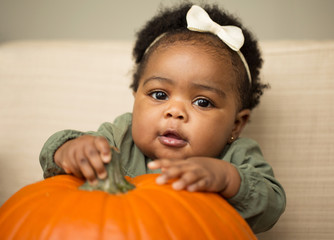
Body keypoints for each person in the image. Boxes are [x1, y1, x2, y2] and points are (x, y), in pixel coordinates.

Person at [39, 3, 286, 233]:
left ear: (236, 124)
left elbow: (272, 205)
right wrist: (70, 149)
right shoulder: (119, 136)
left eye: (202, 102)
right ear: (136, 100)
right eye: (159, 95)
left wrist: (227, 179)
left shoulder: (236, 156)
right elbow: (64, 154)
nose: (175, 111)